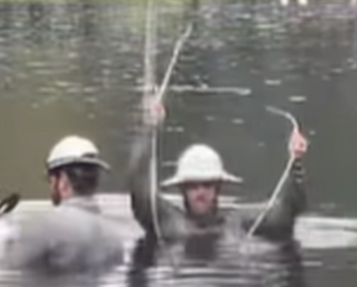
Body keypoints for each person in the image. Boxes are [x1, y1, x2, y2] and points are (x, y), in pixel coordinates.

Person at [128, 102, 309, 245]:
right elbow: (139, 191)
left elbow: (285, 213)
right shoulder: (168, 223)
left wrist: (296, 164)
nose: (201, 192)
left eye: (207, 185)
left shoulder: (238, 223)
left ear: (218, 187)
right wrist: (147, 131)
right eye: (192, 186)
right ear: (182, 189)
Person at [2, 135, 124, 274]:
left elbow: (10, 270)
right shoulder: (114, 236)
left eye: (50, 180)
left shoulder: (44, 225)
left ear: (63, 182)